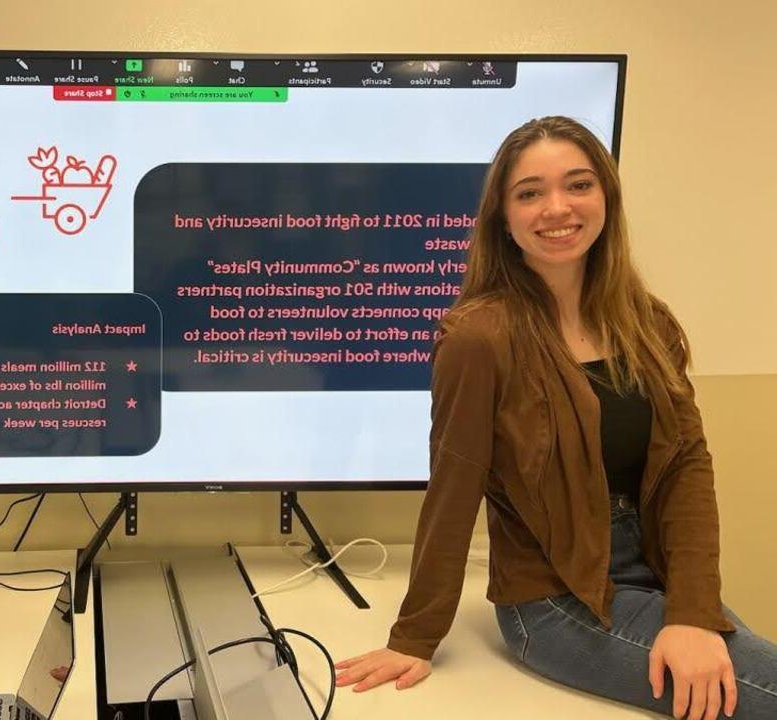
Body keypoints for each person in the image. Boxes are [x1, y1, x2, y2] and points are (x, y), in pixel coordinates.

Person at [332, 116, 777, 719]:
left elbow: (685, 470)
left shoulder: (650, 324)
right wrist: (414, 638)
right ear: (504, 218)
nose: (557, 208)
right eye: (530, 193)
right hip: (552, 602)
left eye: (578, 184)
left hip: (655, 572)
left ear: (607, 199)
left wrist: (694, 611)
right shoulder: (478, 337)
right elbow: (454, 486)